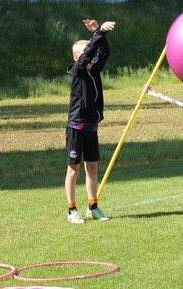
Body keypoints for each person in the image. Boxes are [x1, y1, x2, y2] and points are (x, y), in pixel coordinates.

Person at [65, 18, 116, 224]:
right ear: (78, 56)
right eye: (87, 52)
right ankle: (71, 210)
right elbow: (90, 50)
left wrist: (98, 32)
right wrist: (98, 34)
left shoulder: (93, 71)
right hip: (76, 127)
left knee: (92, 168)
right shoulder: (76, 71)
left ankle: (92, 207)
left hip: (91, 127)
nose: (91, 55)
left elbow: (104, 52)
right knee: (73, 169)